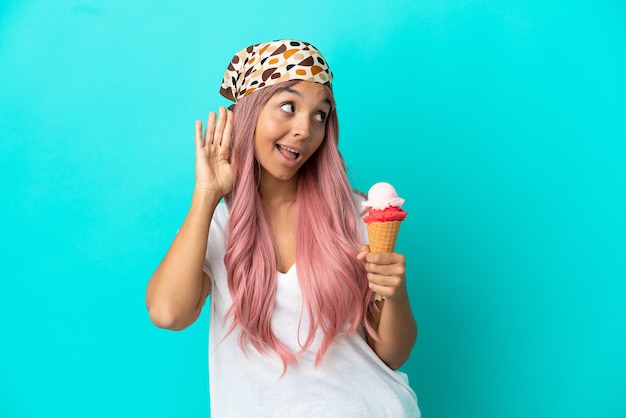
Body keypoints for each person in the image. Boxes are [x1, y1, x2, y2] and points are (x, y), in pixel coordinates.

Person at [146, 39, 420, 417]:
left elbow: (392, 354)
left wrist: (396, 291)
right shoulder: (217, 227)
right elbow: (168, 313)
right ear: (249, 114)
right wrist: (206, 196)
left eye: (320, 115)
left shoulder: (356, 216)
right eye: (288, 107)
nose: (305, 129)